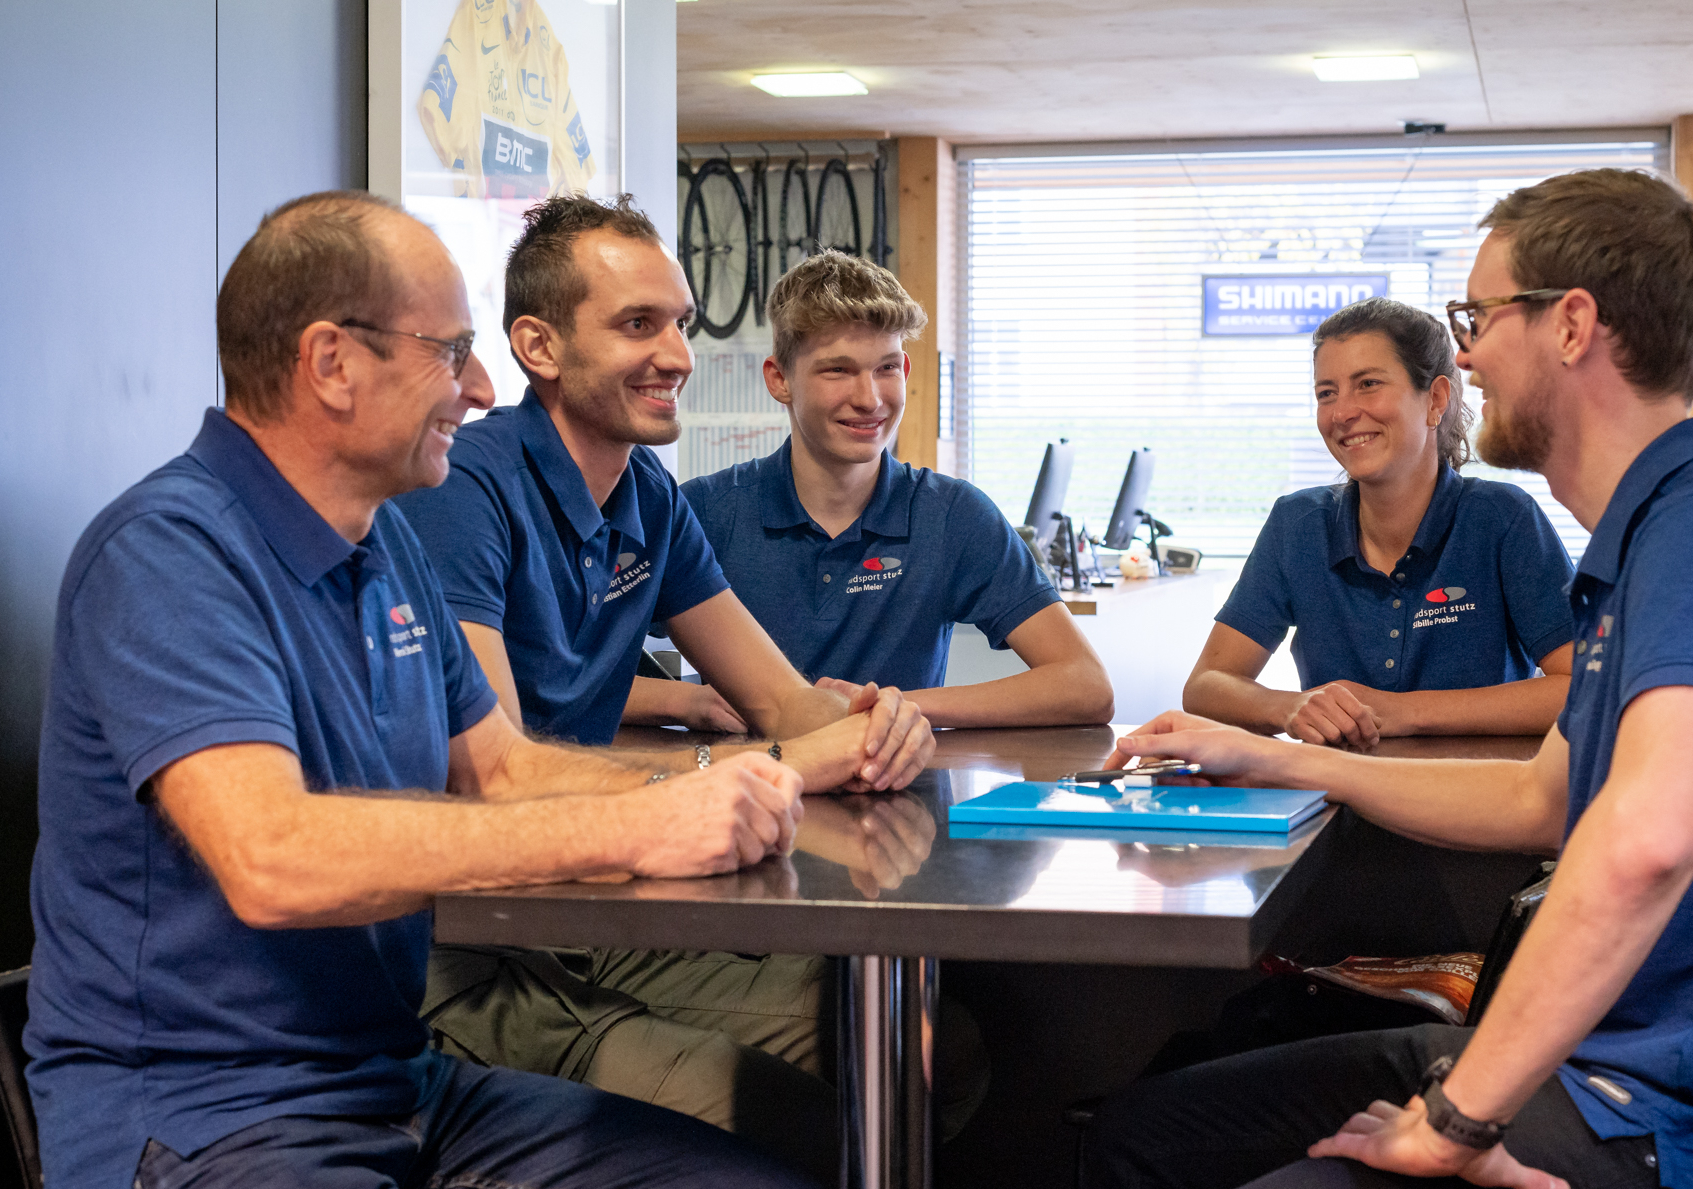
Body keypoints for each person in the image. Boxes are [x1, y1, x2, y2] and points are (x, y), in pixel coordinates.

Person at [1088, 169, 1693, 1189]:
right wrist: (1274, 753)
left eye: (1479, 318)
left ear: (1572, 325)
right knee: (1138, 1133)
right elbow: (1536, 798)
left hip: (1657, 1113)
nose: (1462, 355)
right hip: (1594, 1064)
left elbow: (1648, 844)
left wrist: (1456, 1121)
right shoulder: (1648, 541)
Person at [26, 191, 818, 1189]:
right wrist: (634, 828)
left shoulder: (386, 541)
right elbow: (272, 857)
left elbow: (502, 770)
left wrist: (706, 792)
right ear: (332, 363)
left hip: (395, 1082)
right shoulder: (167, 552)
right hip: (208, 1117)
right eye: (451, 352)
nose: (480, 389)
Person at [392, 196, 934, 1181]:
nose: (678, 355)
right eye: (639, 324)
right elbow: (497, 777)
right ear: (539, 347)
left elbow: (785, 704)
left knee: (928, 1054)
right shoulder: (466, 488)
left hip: (600, 915)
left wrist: (879, 723)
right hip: (470, 950)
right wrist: (784, 758)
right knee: (807, 1125)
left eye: (680, 323)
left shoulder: (648, 495)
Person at [681, 250, 1115, 729]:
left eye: (886, 368)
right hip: (749, 776)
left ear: (905, 371)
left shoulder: (952, 515)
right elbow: (606, 667)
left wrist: (890, 707)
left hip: (900, 775)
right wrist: (690, 702)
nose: (870, 399)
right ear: (780, 379)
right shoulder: (705, 512)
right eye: (838, 370)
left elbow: (1087, 686)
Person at [1184, 298, 1574, 747]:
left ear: (1436, 400)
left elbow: (1582, 687)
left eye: (1368, 384)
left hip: (1471, 787)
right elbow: (1206, 685)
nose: (1341, 413)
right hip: (1336, 788)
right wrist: (1290, 707)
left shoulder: (1502, 518)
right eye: (1326, 393)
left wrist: (1403, 712)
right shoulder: (1298, 525)